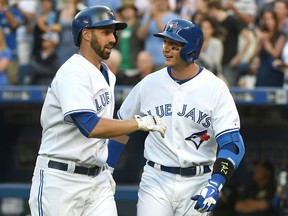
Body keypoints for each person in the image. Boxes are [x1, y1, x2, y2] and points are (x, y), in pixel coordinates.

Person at [28, 6, 166, 216]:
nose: (112, 38)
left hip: (96, 179)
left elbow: (108, 129)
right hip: (61, 178)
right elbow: (90, 125)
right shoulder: (72, 72)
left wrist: (106, 168)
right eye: (105, 32)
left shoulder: (107, 74)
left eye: (113, 33)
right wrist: (139, 123)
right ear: (86, 34)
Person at [107, 17, 245, 215]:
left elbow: (232, 144)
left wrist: (216, 183)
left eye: (174, 45)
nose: (165, 49)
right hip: (157, 179)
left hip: (199, 180)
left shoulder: (215, 88)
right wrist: (108, 169)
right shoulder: (149, 83)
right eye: (165, 43)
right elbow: (121, 127)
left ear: (191, 50)